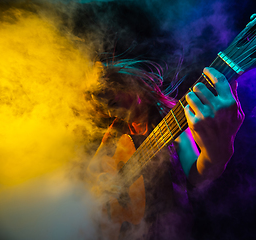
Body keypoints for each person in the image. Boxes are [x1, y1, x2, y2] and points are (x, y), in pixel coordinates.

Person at [85, 59, 244, 240]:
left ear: (129, 84)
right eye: (105, 108)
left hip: (168, 228)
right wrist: (105, 183)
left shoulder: (169, 118)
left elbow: (196, 174)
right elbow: (93, 173)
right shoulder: (115, 131)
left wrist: (216, 154)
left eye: (112, 102)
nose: (108, 110)